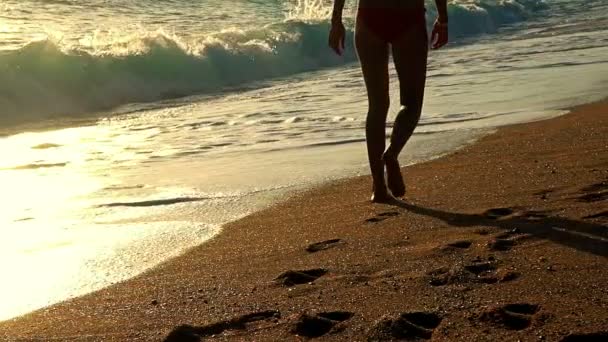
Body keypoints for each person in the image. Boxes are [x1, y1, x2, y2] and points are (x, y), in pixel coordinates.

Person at [329, 0, 448, 203]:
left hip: (370, 15)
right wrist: (443, 19)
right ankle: (391, 153)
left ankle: (379, 187)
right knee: (411, 102)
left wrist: (336, 21)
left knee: (377, 105)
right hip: (408, 16)